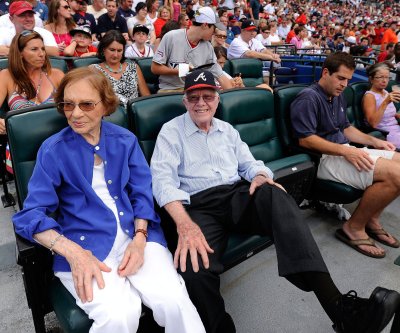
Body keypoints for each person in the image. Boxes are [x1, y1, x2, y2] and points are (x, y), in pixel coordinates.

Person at [150, 68, 400, 333]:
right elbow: (163, 182)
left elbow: (250, 164)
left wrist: (259, 174)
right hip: (198, 206)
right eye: (194, 97)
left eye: (208, 96)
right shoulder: (171, 132)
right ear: (185, 101)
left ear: (218, 98)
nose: (201, 103)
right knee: (194, 269)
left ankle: (339, 309)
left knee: (274, 192)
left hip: (236, 195)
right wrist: (184, 225)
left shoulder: (227, 130)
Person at [12, 67, 206, 333]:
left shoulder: (125, 140)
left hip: (137, 235)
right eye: (68, 104)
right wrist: (74, 254)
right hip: (85, 245)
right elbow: (31, 214)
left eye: (86, 104)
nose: (75, 113)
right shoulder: (53, 150)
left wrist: (140, 240)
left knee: (174, 301)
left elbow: (142, 193)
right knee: (118, 316)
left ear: (105, 105)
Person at [291, 52, 400, 259]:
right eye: (340, 78)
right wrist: (346, 150)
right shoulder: (308, 98)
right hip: (323, 159)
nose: (344, 84)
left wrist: (375, 141)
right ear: (325, 72)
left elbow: (346, 128)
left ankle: (372, 219)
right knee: (397, 175)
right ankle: (353, 227)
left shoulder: (338, 95)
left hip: (344, 150)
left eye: (348, 80)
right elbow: (305, 140)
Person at [151, 6, 233, 93]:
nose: (215, 32)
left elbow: (220, 76)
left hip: (196, 90)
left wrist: (233, 95)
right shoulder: (171, 37)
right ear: (205, 25)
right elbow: (155, 68)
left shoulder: (208, 47)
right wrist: (178, 71)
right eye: (214, 28)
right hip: (171, 90)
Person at [0, 30, 64, 135]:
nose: (42, 54)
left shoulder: (57, 75)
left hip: (56, 138)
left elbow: (75, 104)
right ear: (20, 53)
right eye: (34, 49)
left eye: (43, 49)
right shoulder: (7, 75)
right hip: (22, 139)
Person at [91, 30, 150, 106]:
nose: (116, 55)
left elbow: (146, 96)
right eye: (112, 50)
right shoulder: (94, 70)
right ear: (103, 49)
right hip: (110, 115)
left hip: (135, 113)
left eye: (119, 51)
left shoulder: (133, 67)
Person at [362, 62, 400, 148]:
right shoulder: (370, 96)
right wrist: (386, 102)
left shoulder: (385, 92)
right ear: (371, 79)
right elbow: (373, 123)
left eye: (387, 77)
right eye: (380, 77)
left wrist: (397, 115)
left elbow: (390, 115)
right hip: (385, 134)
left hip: (396, 129)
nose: (384, 80)